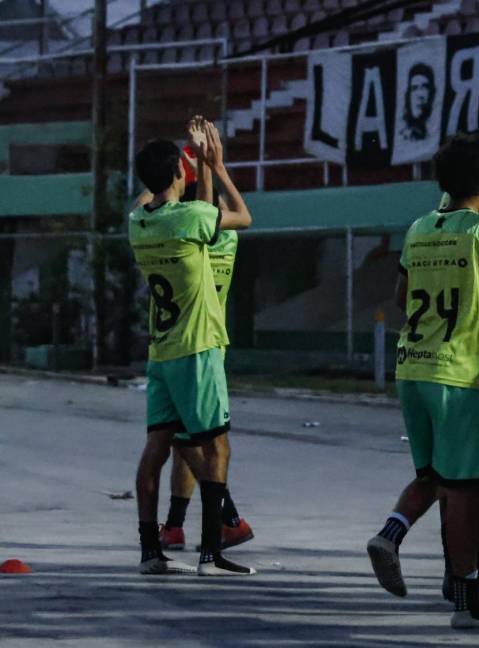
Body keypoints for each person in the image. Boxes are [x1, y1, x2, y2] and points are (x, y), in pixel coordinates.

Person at [366, 133, 479, 628]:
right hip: (457, 372)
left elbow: (401, 293)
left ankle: (391, 533)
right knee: (462, 488)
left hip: (412, 364)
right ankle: (467, 602)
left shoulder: (418, 229)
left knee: (434, 475)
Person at [128, 119, 255, 577]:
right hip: (198, 349)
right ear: (179, 176)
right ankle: (210, 554)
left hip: (160, 351)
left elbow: (155, 198)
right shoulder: (200, 224)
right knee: (216, 449)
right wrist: (214, 165)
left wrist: (181, 169)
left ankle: (149, 551)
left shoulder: (139, 222)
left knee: (156, 451)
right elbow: (240, 215)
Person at [400, 63, 436, 142]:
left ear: (432, 94)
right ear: (408, 96)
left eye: (425, 87)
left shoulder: (430, 136)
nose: (420, 95)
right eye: (414, 88)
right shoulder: (403, 137)